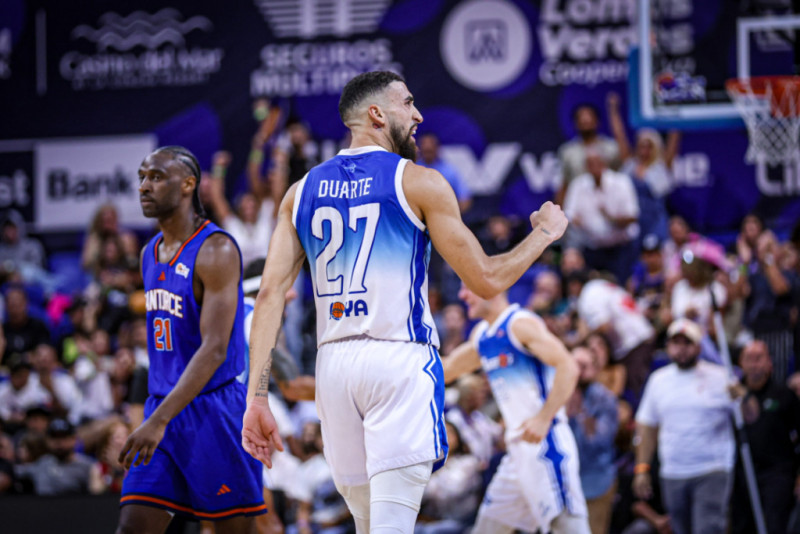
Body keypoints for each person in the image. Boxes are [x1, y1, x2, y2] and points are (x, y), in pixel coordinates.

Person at [242, 71, 568, 534]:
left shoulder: (300, 193)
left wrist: (258, 397)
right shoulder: (419, 182)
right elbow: (488, 278)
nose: (417, 115)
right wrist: (545, 234)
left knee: (369, 525)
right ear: (377, 114)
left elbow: (270, 295)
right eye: (408, 103)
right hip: (397, 359)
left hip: (334, 370)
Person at [116, 146, 265, 534]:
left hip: (212, 412)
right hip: (162, 410)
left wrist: (158, 420)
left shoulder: (215, 249)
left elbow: (214, 349)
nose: (144, 186)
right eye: (142, 177)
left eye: (156, 177)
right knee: (132, 528)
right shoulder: (149, 252)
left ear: (188, 184)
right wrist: (157, 417)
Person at [443, 287, 588, 534]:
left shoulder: (519, 324)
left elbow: (568, 366)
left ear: (490, 285)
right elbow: (448, 369)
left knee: (569, 528)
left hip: (545, 443)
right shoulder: (482, 335)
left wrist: (544, 418)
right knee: (486, 529)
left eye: (468, 287)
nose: (463, 295)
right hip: (516, 452)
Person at [633, 318, 736, 534]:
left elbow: (748, 417)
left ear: (698, 346)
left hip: (711, 469)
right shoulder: (658, 380)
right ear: (668, 347)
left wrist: (742, 395)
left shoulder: (720, 376)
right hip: (673, 471)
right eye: (676, 343)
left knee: (707, 528)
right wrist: (642, 468)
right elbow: (647, 426)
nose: (681, 349)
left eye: (687, 343)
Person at [730, 340, 800, 534]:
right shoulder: (731, 397)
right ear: (741, 364)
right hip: (742, 473)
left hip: (777, 473)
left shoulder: (784, 395)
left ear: (769, 362)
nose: (754, 364)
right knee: (742, 526)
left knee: (774, 525)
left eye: (759, 358)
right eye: (748, 359)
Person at [564, 150, 640, 284]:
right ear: (586, 167)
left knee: (618, 287)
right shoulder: (578, 185)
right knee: (592, 287)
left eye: (597, 163)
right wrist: (577, 221)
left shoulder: (621, 182)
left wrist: (612, 219)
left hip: (619, 248)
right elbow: (568, 214)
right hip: (592, 248)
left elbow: (632, 216)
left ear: (605, 163)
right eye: (590, 164)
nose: (594, 167)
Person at [568, 346, 619, 534]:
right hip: (564, 485)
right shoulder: (557, 394)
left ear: (595, 370)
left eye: (583, 366)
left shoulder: (604, 398)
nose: (577, 372)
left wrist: (579, 413)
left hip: (595, 482)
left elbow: (600, 441)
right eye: (572, 365)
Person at [555, 104, 619, 206]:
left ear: (597, 121)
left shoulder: (610, 147)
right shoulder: (567, 151)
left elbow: (624, 167)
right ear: (575, 123)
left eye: (589, 117)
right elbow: (563, 184)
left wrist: (614, 113)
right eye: (581, 118)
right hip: (577, 208)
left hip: (608, 207)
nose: (585, 120)